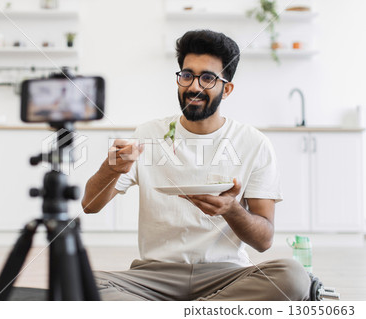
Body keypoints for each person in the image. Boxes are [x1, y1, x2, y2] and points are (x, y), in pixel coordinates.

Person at [81, 29, 310, 301]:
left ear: (227, 89)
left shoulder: (253, 143)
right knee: (81, 282)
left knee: (292, 276)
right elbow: (89, 205)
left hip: (226, 276)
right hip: (154, 277)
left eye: (208, 78)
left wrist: (232, 210)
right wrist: (112, 169)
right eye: (187, 75)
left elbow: (263, 241)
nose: (194, 86)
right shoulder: (147, 135)